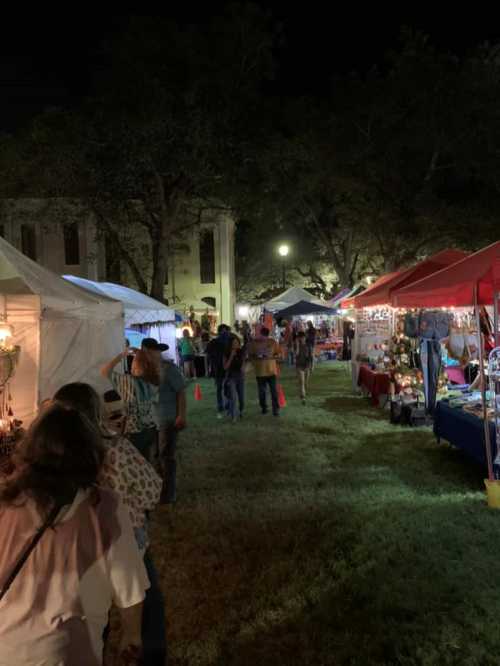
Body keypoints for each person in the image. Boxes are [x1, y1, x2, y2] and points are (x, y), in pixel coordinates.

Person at [0, 405, 149, 666]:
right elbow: (130, 591)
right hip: (64, 655)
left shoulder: (6, 502)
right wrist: (132, 637)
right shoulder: (104, 510)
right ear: (91, 455)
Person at [52, 383, 165, 666]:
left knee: (91, 618)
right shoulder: (115, 447)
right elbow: (152, 490)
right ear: (95, 411)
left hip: (78, 547)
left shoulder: (51, 455)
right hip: (129, 540)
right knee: (145, 607)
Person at [101, 345, 160, 462]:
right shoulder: (153, 383)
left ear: (138, 366)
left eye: (134, 361)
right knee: (146, 461)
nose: (131, 363)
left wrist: (122, 355)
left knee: (135, 462)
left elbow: (105, 371)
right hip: (150, 429)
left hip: (135, 432)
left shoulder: (128, 382)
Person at [146, 340, 187, 504]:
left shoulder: (169, 369)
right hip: (152, 419)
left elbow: (181, 392)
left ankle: (168, 494)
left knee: (166, 457)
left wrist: (181, 415)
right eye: (150, 351)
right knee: (156, 456)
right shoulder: (145, 371)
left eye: (156, 351)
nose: (154, 354)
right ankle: (159, 489)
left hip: (168, 418)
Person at [247, 326, 282, 416]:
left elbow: (279, 354)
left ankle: (275, 409)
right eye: (262, 335)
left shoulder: (272, 342)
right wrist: (257, 356)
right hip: (260, 372)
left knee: (273, 391)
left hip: (271, 371)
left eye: (265, 336)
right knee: (262, 392)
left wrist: (272, 357)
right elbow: (250, 356)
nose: (263, 338)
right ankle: (264, 407)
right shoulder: (254, 343)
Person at [207, 324, 231, 419]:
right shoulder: (217, 342)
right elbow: (209, 355)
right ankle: (223, 405)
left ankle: (223, 405)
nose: (227, 334)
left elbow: (208, 355)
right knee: (222, 388)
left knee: (222, 388)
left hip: (222, 368)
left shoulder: (217, 342)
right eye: (225, 332)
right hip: (219, 369)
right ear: (222, 331)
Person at [223, 335, 246, 422]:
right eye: (234, 343)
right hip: (231, 377)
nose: (236, 345)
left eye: (237, 343)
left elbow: (243, 363)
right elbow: (225, 367)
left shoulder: (241, 352)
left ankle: (241, 410)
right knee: (233, 397)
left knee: (241, 398)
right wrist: (231, 356)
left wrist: (243, 369)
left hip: (240, 377)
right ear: (230, 345)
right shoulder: (226, 353)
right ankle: (233, 416)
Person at [295, 331, 313, 405]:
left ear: (305, 337)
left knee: (305, 383)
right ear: (299, 338)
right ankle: (303, 398)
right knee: (302, 382)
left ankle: (303, 392)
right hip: (299, 365)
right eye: (300, 338)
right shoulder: (297, 345)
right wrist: (298, 345)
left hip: (307, 365)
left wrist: (312, 366)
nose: (302, 339)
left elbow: (311, 356)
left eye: (303, 337)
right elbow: (296, 354)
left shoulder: (309, 345)